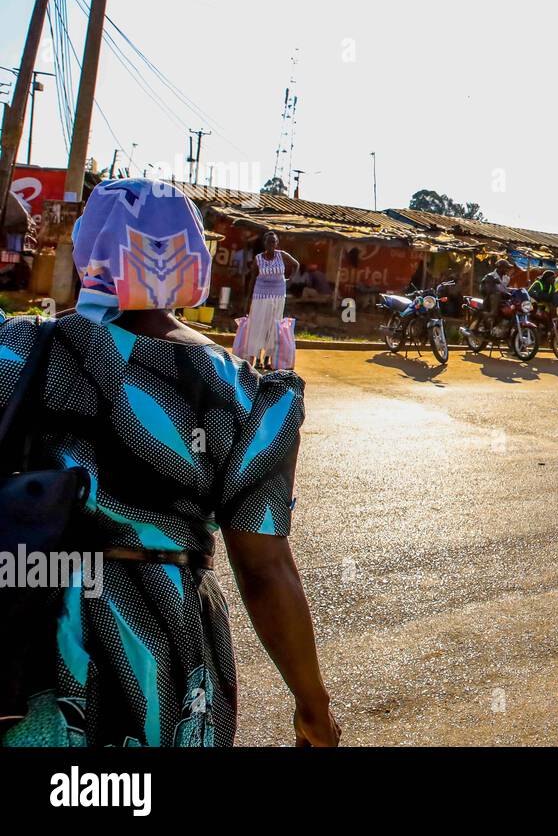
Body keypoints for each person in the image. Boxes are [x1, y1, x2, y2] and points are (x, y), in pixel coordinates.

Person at [0, 179, 338, 747]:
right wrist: (312, 705)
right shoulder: (244, 392)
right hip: (163, 652)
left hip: (29, 635)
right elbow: (264, 569)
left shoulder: (17, 350)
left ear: (89, 253)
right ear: (194, 258)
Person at [238, 231, 298, 370]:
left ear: (276, 243)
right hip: (260, 297)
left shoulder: (281, 255)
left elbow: (296, 264)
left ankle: (267, 359)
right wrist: (247, 298)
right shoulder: (258, 259)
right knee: (259, 327)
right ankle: (258, 358)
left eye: (273, 242)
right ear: (264, 244)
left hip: (278, 297)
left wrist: (290, 281)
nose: (271, 245)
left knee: (273, 328)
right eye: (268, 242)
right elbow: (252, 278)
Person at [476, 259, 513, 330]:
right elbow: (487, 290)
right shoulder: (490, 276)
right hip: (490, 302)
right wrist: (499, 291)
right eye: (506, 267)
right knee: (496, 294)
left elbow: (506, 289)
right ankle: (489, 314)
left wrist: (516, 290)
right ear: (500, 267)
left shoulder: (507, 278)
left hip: (502, 301)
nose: (507, 269)